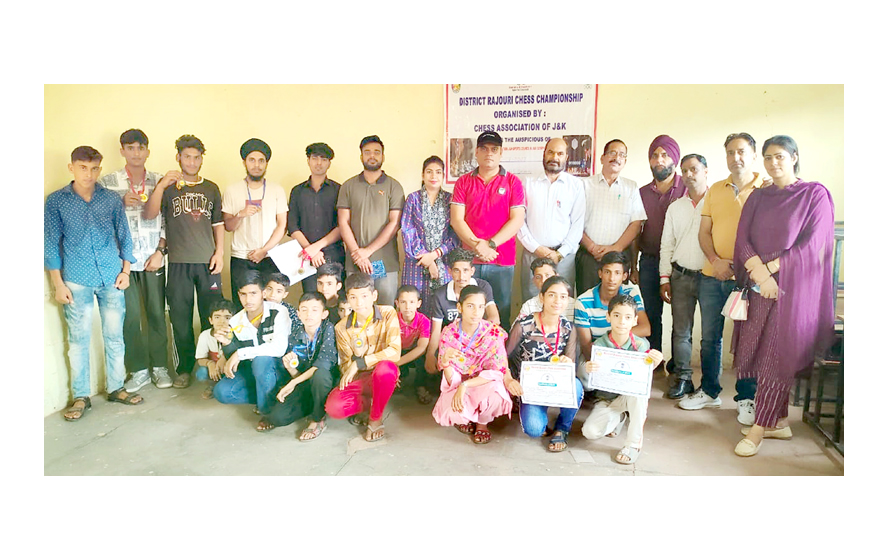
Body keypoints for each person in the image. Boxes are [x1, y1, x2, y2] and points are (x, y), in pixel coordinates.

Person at [731, 135, 835, 457]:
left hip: (793, 290)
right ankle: (779, 421)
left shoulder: (813, 194)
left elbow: (814, 243)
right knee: (759, 354)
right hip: (759, 287)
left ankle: (759, 429)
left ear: (794, 157)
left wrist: (775, 271)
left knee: (776, 357)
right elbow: (742, 240)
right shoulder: (757, 197)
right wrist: (761, 275)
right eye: (767, 157)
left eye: (779, 156)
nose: (773, 163)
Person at [45, 146, 142, 420]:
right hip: (76, 280)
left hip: (112, 277)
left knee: (115, 337)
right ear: (71, 168)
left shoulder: (110, 199)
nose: (89, 174)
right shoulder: (56, 202)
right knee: (78, 341)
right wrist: (58, 283)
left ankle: (116, 388)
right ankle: (80, 396)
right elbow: (51, 244)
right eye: (83, 168)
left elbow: (124, 236)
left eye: (94, 168)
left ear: (100, 168)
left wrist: (125, 270)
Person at [684, 133, 764, 423]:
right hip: (712, 276)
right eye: (730, 152)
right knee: (710, 339)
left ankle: (746, 398)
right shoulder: (715, 190)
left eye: (741, 152)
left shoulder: (765, 190)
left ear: (753, 154)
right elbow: (704, 232)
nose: (735, 158)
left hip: (749, 279)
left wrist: (743, 267)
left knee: (747, 341)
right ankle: (709, 391)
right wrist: (716, 262)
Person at [143, 134, 224, 389]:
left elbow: (218, 224)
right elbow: (151, 214)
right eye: (187, 156)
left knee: (215, 316)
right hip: (178, 263)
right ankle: (184, 369)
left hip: (207, 262)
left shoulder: (211, 188)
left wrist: (219, 253)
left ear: (202, 159)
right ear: (178, 157)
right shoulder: (168, 187)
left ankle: (217, 365)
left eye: (196, 157)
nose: (191, 161)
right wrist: (160, 185)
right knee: (180, 318)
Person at [98, 128, 171, 391]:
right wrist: (119, 202)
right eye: (130, 148)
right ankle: (138, 369)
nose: (136, 153)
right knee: (129, 317)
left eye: (140, 148)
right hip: (123, 263)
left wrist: (160, 251)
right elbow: (100, 222)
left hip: (153, 258)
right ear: (122, 151)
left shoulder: (159, 180)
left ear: (148, 151)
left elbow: (168, 221)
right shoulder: (108, 182)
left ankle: (160, 367)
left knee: (156, 314)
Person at [451, 130, 526, 327]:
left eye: (494, 149)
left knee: (500, 312)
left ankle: (499, 357)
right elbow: (457, 220)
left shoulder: (513, 182)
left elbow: (517, 220)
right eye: (484, 149)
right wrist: (478, 246)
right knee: (467, 313)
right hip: (468, 262)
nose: (489, 153)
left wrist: (490, 245)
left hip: (501, 260)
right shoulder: (463, 182)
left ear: (501, 152)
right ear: (476, 152)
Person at [581, 294, 664, 464]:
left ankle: (633, 445)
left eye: (627, 317)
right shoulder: (600, 346)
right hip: (607, 398)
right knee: (589, 432)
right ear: (608, 317)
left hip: (630, 396)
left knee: (640, 394)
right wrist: (588, 368)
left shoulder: (641, 345)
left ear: (634, 320)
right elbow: (593, 377)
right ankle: (619, 418)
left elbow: (642, 377)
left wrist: (653, 363)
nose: (621, 321)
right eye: (617, 315)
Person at [431, 286, 519, 444]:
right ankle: (468, 417)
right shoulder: (449, 333)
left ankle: (482, 423)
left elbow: (497, 371)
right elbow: (451, 379)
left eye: (480, 307)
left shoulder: (492, 332)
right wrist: (445, 362)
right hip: (458, 385)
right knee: (453, 412)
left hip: (484, 382)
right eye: (470, 306)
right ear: (460, 307)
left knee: (496, 397)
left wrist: (466, 385)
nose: (476, 312)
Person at [506, 276, 583, 452]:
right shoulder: (524, 325)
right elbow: (504, 355)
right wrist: (509, 379)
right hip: (530, 387)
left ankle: (562, 427)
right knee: (534, 429)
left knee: (576, 387)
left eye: (563, 297)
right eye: (552, 295)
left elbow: (571, 365)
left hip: (556, 383)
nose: (558, 301)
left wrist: (566, 362)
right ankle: (539, 415)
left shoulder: (568, 328)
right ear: (541, 297)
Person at [325, 271, 402, 442]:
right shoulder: (342, 328)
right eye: (353, 297)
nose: (359, 302)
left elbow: (394, 351)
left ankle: (375, 419)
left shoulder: (388, 313)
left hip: (384, 374)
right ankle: (375, 404)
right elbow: (346, 366)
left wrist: (361, 362)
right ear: (347, 298)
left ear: (374, 295)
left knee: (386, 369)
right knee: (334, 408)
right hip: (362, 379)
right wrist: (354, 367)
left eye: (364, 296)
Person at [659, 154, 709, 399]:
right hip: (680, 276)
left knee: (711, 334)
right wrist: (664, 278)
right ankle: (683, 378)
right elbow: (666, 245)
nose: (689, 175)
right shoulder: (675, 207)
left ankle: (710, 384)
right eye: (685, 171)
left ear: (705, 171)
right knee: (681, 331)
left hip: (711, 278)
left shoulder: (717, 202)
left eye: (694, 169)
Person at [634, 135, 687, 362]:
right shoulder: (642, 193)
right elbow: (636, 231)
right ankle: (654, 362)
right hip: (648, 263)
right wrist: (633, 264)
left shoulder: (687, 187)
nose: (659, 160)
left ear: (674, 159)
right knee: (651, 316)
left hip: (680, 265)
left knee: (681, 318)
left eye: (665, 155)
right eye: (655, 155)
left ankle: (677, 369)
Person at [258, 292, 339, 441]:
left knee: (320, 375)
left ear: (324, 314)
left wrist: (292, 383)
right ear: (298, 314)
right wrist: (290, 368)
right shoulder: (294, 336)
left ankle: (317, 419)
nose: (309, 314)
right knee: (277, 418)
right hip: (304, 384)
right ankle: (313, 405)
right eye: (304, 309)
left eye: (315, 310)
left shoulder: (329, 330)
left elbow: (321, 366)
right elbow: (297, 375)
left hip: (326, 384)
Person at [337, 135, 405, 306]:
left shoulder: (394, 186)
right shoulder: (348, 186)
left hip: (385, 263)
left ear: (383, 156)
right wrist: (357, 254)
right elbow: (343, 222)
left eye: (377, 152)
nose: (372, 156)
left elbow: (394, 223)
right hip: (355, 263)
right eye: (367, 152)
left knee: (385, 311)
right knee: (356, 311)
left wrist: (367, 251)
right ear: (361, 156)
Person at [213, 270, 291, 416]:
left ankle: (265, 411)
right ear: (238, 294)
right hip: (253, 372)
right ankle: (267, 395)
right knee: (221, 392)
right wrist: (227, 343)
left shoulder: (279, 312)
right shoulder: (235, 321)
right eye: (243, 294)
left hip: (278, 369)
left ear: (264, 293)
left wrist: (240, 353)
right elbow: (236, 358)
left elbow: (279, 349)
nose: (248, 299)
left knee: (261, 361)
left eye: (253, 293)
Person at [222, 138, 288, 311]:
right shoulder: (232, 190)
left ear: (266, 163)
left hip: (269, 256)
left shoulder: (276, 190)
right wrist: (241, 214)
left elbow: (282, 225)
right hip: (241, 258)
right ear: (244, 162)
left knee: (270, 305)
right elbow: (228, 226)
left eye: (261, 161)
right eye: (252, 160)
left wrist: (264, 250)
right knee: (242, 306)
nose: (256, 165)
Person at [517, 137, 585, 302]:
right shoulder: (527, 184)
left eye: (560, 153)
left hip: (564, 258)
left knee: (562, 305)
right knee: (531, 302)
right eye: (551, 152)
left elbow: (578, 224)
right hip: (532, 254)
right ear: (544, 154)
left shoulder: (575, 185)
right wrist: (537, 248)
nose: (555, 157)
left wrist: (559, 254)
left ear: (566, 158)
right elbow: (519, 222)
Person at [576, 139, 646, 294]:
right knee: (587, 303)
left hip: (619, 258)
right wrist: (592, 247)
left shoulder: (631, 187)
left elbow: (636, 223)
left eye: (621, 155)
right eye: (612, 153)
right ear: (602, 158)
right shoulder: (584, 185)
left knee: (617, 307)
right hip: (589, 256)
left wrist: (616, 248)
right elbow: (574, 221)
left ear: (625, 161)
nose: (617, 157)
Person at [573, 251, 651, 390]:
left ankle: (622, 387)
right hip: (598, 350)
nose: (612, 278)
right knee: (584, 375)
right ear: (600, 273)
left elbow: (645, 329)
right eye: (607, 272)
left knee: (643, 344)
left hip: (624, 348)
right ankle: (606, 389)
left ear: (624, 276)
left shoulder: (632, 293)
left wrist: (616, 339)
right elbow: (586, 346)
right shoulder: (583, 302)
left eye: (617, 273)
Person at [423, 248, 500, 377]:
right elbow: (436, 331)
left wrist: (478, 340)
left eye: (465, 270)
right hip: (453, 343)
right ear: (449, 272)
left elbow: (494, 318)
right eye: (456, 271)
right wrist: (430, 355)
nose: (461, 276)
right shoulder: (440, 295)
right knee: (429, 359)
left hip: (479, 340)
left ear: (472, 271)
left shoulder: (483, 287)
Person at [400, 155, 460, 317]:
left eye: (438, 172)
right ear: (422, 175)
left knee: (442, 306)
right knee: (413, 306)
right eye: (429, 172)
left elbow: (455, 235)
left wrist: (434, 255)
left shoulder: (451, 200)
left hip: (443, 262)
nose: (434, 176)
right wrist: (427, 259)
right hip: (417, 262)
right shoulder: (413, 199)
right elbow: (407, 231)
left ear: (443, 176)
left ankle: (439, 341)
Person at [288, 142, 345, 294]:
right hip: (306, 257)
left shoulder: (339, 190)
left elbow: (343, 225)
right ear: (308, 160)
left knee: (334, 301)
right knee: (311, 300)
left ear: (329, 163)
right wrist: (310, 249)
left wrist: (316, 247)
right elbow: (292, 226)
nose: (319, 163)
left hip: (334, 255)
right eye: (315, 158)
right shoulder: (297, 191)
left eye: (324, 159)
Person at [394, 285, 433, 403]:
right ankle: (398, 380)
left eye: (412, 302)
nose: (407, 307)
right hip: (397, 350)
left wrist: (397, 363)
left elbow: (422, 347)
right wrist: (394, 363)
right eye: (403, 302)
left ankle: (420, 386)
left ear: (418, 303)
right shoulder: (392, 319)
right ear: (397, 303)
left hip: (415, 351)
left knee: (423, 359)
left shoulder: (424, 320)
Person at [515, 256, 578, 323]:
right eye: (538, 277)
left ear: (557, 276)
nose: (543, 280)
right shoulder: (529, 306)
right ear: (534, 280)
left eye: (548, 275)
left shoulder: (574, 305)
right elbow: (517, 331)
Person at [194, 299, 235, 399]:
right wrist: (210, 363)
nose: (222, 321)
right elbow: (200, 359)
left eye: (227, 317)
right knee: (201, 373)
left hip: (230, 369)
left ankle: (226, 384)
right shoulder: (205, 335)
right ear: (211, 320)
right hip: (215, 369)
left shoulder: (236, 334)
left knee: (224, 390)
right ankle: (212, 385)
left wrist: (224, 359)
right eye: (217, 317)